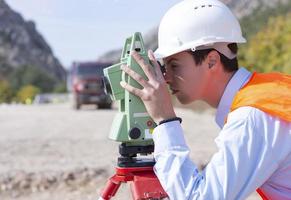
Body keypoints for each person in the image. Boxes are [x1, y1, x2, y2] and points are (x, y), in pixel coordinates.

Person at [120, 0, 291, 199]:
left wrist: (165, 121)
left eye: (174, 66)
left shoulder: (252, 118)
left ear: (211, 61)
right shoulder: (272, 89)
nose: (165, 78)